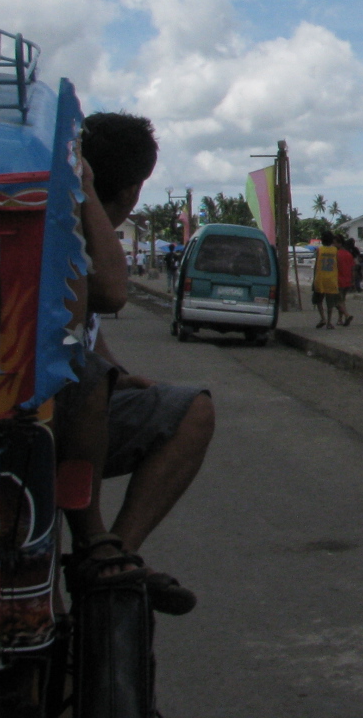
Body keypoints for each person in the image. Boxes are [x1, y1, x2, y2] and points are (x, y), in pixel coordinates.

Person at [54, 111, 215, 616]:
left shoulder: (67, 211)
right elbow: (108, 293)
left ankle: (115, 556)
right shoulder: (65, 219)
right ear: (131, 191)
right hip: (42, 413)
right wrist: (87, 191)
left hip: (61, 408)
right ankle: (97, 544)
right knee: (90, 378)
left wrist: (120, 375)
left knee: (189, 408)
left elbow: (83, 325)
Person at [312, 238, 340, 329]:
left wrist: (314, 279)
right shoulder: (335, 250)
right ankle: (329, 322)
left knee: (318, 300)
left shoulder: (319, 250)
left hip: (320, 278)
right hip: (331, 279)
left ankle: (323, 318)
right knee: (330, 303)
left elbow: (316, 265)